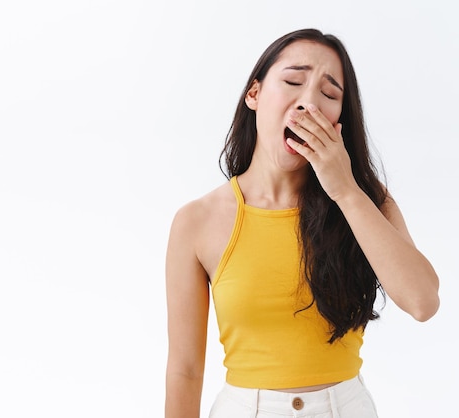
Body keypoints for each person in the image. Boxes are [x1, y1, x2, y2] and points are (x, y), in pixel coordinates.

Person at [164, 28, 440, 418]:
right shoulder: (196, 221)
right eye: (293, 81)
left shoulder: (364, 199)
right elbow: (185, 370)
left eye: (329, 95)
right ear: (254, 94)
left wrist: (345, 190)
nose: (308, 102)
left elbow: (423, 302)